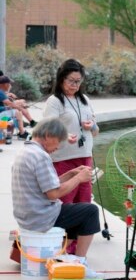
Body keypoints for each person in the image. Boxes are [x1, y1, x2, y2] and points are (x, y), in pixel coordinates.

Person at [11, 118, 101, 269]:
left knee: (75, 211)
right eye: (58, 141)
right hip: (40, 217)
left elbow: (45, 186)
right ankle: (79, 262)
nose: (58, 147)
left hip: (28, 215)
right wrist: (79, 178)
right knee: (90, 211)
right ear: (48, 135)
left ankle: (62, 255)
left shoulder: (27, 151)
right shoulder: (40, 156)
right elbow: (53, 194)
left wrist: (71, 173)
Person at [44, 59, 99, 253]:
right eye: (71, 81)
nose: (74, 85)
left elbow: (96, 130)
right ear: (61, 79)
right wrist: (64, 135)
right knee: (65, 203)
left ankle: (76, 249)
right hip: (63, 159)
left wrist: (90, 126)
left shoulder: (84, 100)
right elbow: (47, 129)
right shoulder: (55, 101)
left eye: (78, 81)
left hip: (85, 157)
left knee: (84, 202)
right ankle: (61, 247)